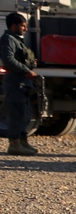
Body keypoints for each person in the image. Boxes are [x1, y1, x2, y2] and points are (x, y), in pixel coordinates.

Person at [0, 12, 38, 155]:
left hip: (22, 83)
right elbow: (8, 59)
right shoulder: (8, 39)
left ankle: (23, 142)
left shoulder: (17, 40)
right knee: (16, 113)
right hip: (15, 82)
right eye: (22, 26)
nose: (25, 29)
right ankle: (14, 145)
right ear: (13, 25)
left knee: (24, 114)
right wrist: (25, 70)